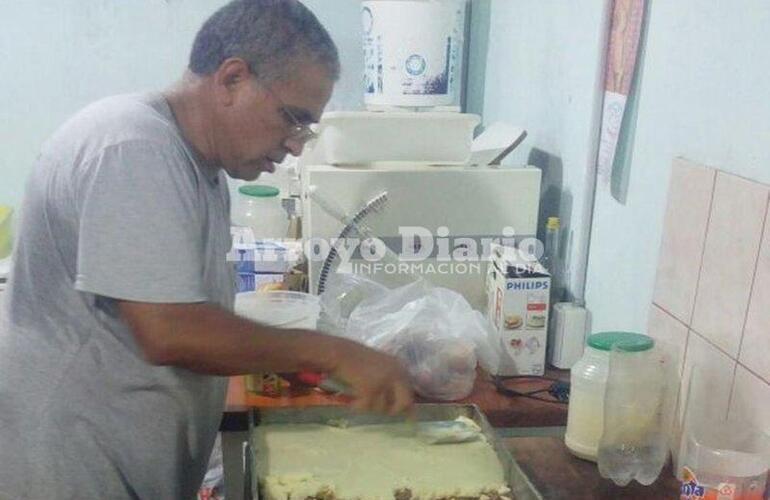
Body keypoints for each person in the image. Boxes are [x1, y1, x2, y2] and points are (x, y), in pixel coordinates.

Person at [0, 1, 414, 498]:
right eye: (293, 119)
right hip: (73, 467)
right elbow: (170, 330)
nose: (297, 145)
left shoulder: (201, 166)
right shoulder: (133, 149)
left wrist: (306, 362)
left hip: (121, 459)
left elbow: (192, 312)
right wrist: (333, 353)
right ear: (232, 79)